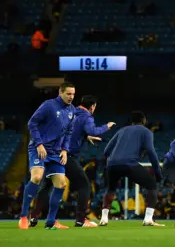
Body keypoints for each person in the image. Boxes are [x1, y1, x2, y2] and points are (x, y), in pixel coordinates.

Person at [29, 95, 116, 228]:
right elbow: (92, 129)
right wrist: (107, 126)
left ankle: (34, 217)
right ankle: (81, 220)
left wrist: (86, 136)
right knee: (84, 186)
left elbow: (71, 130)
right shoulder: (86, 116)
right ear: (92, 106)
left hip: (52, 153)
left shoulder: (70, 112)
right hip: (66, 156)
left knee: (47, 185)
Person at [19, 82, 77, 230]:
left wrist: (65, 150)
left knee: (61, 184)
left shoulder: (72, 110)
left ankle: (50, 222)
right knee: (37, 177)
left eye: (73, 94)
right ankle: (24, 217)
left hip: (56, 152)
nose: (71, 97)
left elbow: (69, 132)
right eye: (68, 94)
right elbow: (32, 123)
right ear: (61, 93)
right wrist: (38, 143)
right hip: (39, 148)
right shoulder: (48, 105)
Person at [100, 111, 163, 227]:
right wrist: (157, 172)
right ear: (144, 121)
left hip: (112, 164)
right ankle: (148, 219)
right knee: (152, 185)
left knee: (111, 189)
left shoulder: (121, 130)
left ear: (132, 121)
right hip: (129, 163)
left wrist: (108, 163)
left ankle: (104, 218)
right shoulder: (146, 131)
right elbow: (150, 151)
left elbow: (106, 150)